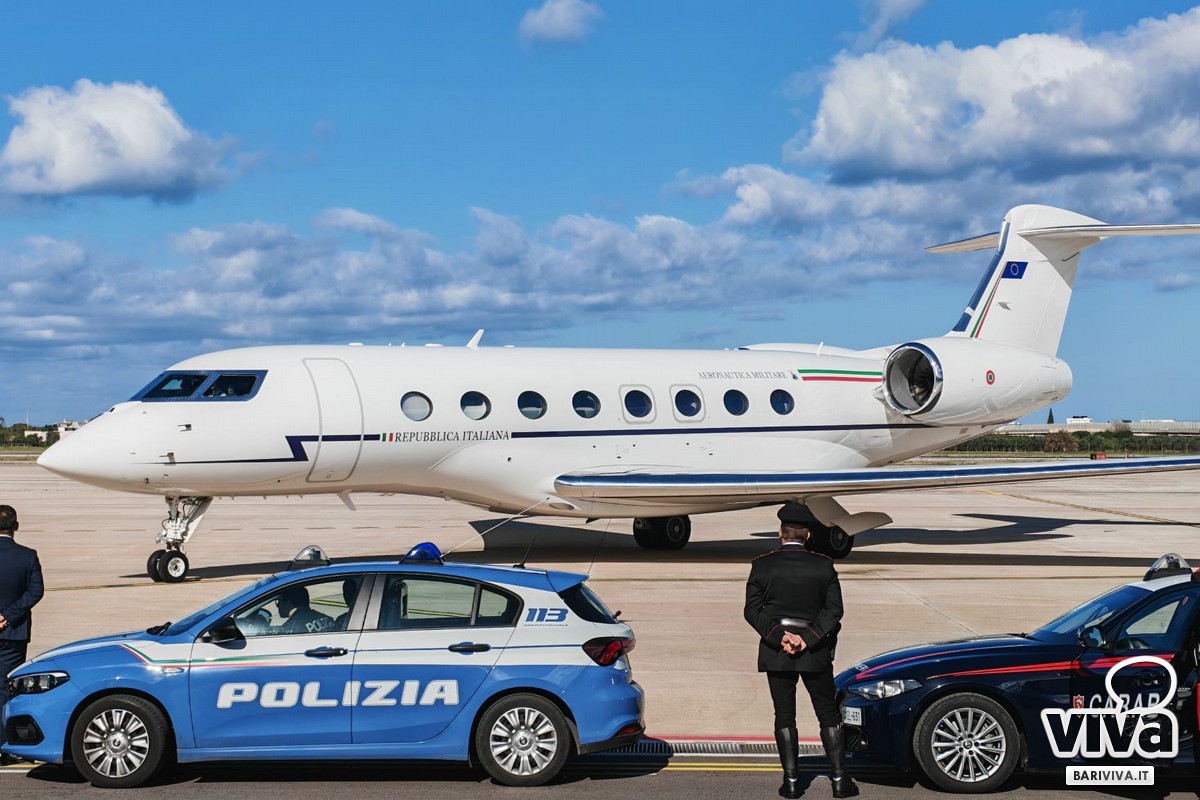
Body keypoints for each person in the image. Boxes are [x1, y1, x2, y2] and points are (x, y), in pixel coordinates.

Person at [744, 511, 857, 799]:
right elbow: (834, 610)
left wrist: (779, 637)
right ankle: (839, 780)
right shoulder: (823, 564)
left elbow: (752, 611)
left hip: (777, 651)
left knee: (784, 715)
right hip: (814, 651)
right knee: (827, 713)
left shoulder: (762, 564)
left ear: (780, 533)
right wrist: (808, 639)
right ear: (808, 535)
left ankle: (792, 781)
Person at [0, 505, 45, 765]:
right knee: (7, 690)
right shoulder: (27, 556)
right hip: (13, 633)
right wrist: (8, 616)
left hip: (12, 631)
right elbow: (35, 591)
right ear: (16, 526)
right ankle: (4, 746)